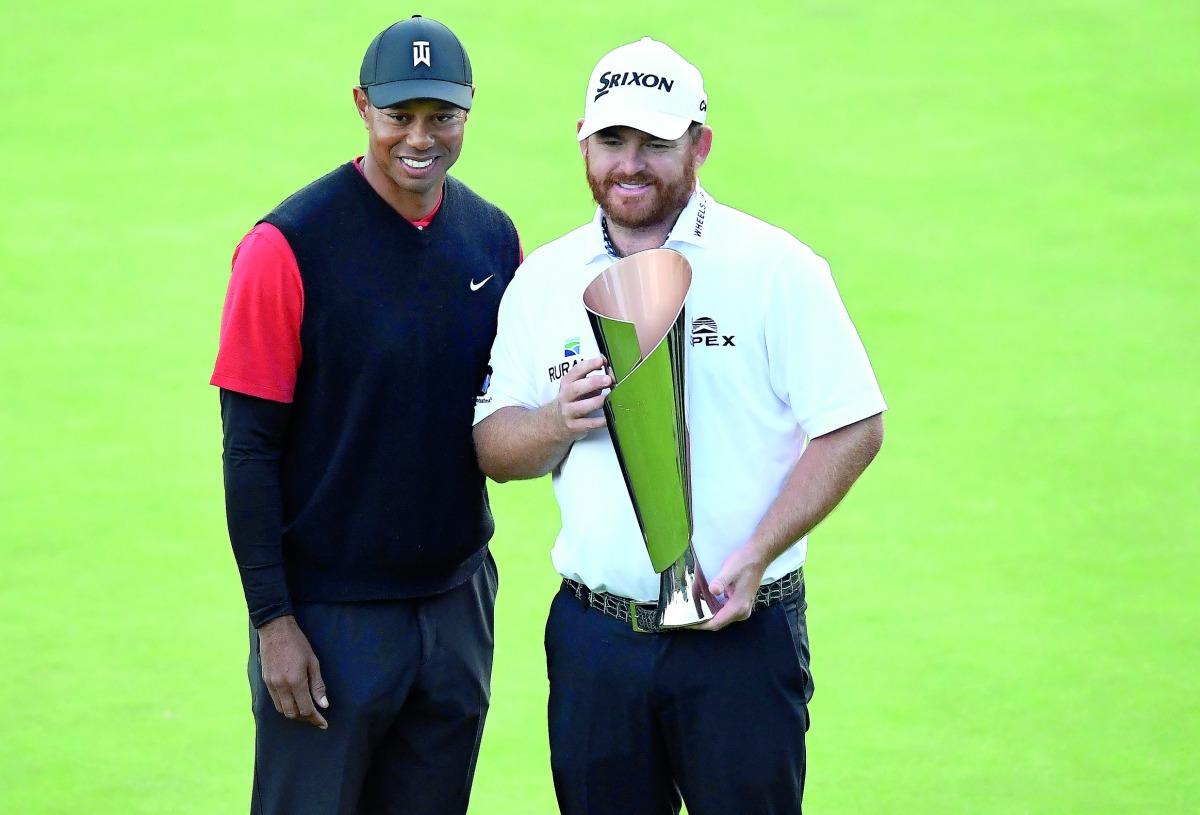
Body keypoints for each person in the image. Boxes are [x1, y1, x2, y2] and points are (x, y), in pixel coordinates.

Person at [472, 36, 885, 815]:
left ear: (701, 144)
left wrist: (757, 554)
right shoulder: (543, 280)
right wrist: (557, 421)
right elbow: (493, 446)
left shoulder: (775, 267)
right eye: (612, 140)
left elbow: (853, 425)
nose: (630, 164)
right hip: (598, 641)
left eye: (656, 143)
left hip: (739, 638)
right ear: (583, 142)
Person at [210, 16, 521, 815]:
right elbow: (249, 451)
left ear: (469, 108)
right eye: (398, 116)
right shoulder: (285, 248)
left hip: (455, 608)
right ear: (362, 107)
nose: (420, 138)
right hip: (327, 622)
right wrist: (273, 622)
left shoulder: (492, 240)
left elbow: (510, 408)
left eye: (442, 116)